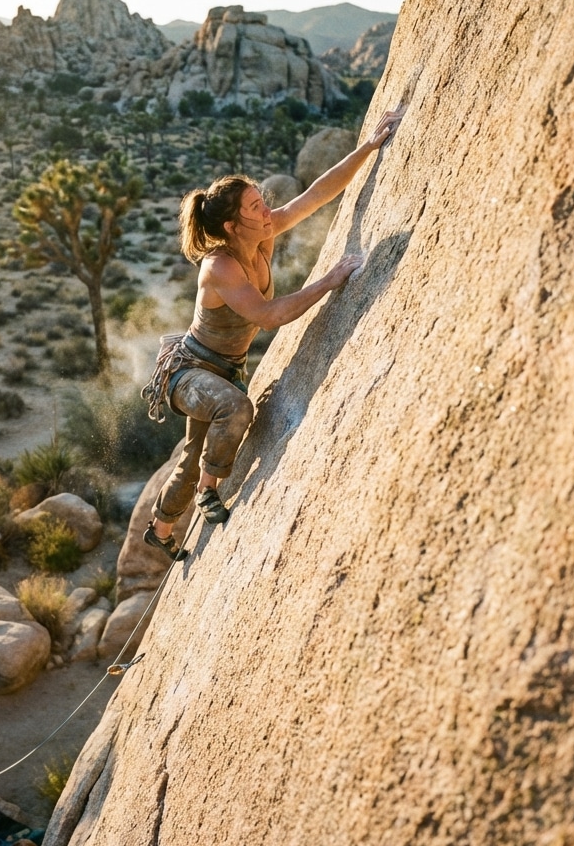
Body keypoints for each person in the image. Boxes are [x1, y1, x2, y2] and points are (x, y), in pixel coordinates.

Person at [140, 109, 402, 560]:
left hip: (223, 369)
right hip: (190, 371)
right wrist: (329, 280)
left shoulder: (262, 232)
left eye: (261, 199)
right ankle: (209, 491)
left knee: (188, 460)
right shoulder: (220, 266)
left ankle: (160, 531)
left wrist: (371, 145)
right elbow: (269, 316)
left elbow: (318, 194)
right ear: (231, 226)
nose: (267, 207)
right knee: (234, 409)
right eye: (255, 206)